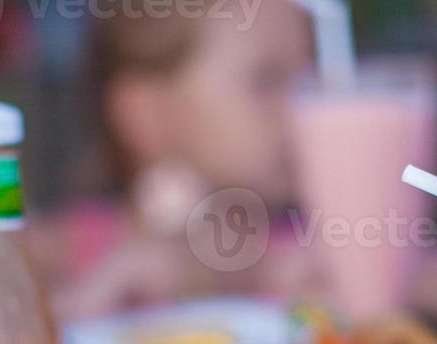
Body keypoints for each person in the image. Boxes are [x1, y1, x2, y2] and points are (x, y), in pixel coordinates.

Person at [32, 0, 315, 322]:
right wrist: (77, 309)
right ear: (148, 113)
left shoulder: (315, 252)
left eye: (310, 76)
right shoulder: (62, 250)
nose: (304, 107)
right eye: (266, 81)